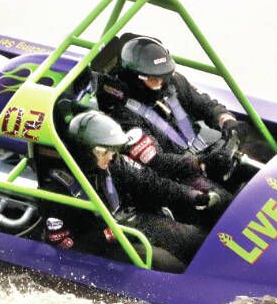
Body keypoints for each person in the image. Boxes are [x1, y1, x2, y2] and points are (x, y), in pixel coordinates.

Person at [43, 110, 216, 271]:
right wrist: (109, 234)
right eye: (104, 151)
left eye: (113, 149)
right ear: (85, 152)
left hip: (130, 226)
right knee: (171, 265)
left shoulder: (113, 164)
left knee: (198, 241)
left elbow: (152, 184)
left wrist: (191, 195)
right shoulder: (57, 192)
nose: (111, 155)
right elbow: (66, 247)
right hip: (104, 248)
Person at [98, 35, 249, 199]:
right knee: (224, 202)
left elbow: (206, 106)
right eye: (154, 79)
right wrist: (201, 163)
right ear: (134, 78)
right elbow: (158, 162)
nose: (161, 83)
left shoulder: (173, 83)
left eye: (164, 76)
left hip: (206, 153)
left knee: (259, 156)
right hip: (178, 176)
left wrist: (227, 121)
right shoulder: (123, 116)